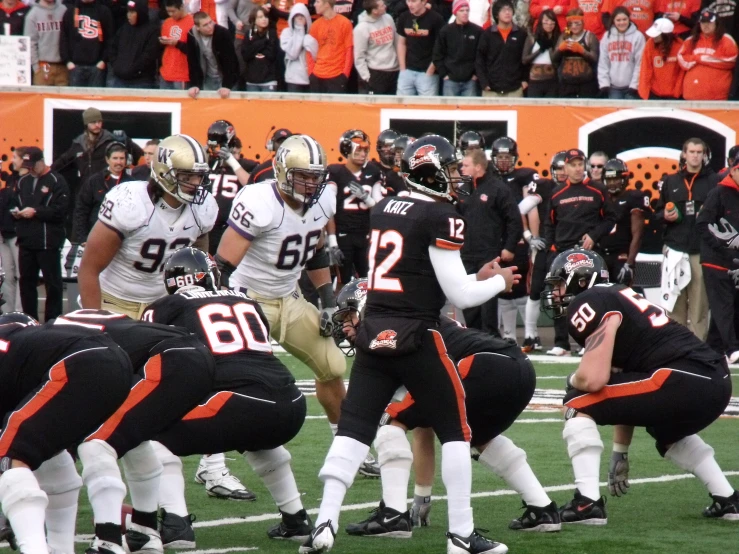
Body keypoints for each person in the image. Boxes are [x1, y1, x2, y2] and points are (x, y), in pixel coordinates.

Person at [299, 135, 518, 554]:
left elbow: (420, 273)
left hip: (374, 332)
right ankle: (460, 535)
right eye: (451, 169)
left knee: (352, 431)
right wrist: (498, 282)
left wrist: (479, 277)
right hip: (417, 336)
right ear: (429, 171)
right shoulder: (441, 215)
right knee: (456, 432)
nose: (457, 177)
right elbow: (460, 295)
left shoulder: (385, 207)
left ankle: (324, 523)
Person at [334, 280, 560, 535]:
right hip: (517, 369)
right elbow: (424, 424)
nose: (344, 327)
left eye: (348, 316)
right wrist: (422, 496)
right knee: (478, 437)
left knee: (390, 420)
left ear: (366, 307)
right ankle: (542, 508)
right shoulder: (411, 316)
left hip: (483, 365)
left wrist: (421, 498)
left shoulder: (392, 329)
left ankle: (393, 515)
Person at [214, 135, 377, 475]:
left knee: (332, 365)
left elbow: (315, 249)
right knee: (238, 380)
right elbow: (223, 265)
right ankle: (212, 465)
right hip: (247, 298)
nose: (312, 183)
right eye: (304, 175)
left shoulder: (321, 201)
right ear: (282, 170)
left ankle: (347, 448)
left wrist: (328, 301)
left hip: (289, 297)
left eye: (317, 175)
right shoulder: (259, 200)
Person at [542, 248, 738, 524]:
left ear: (581, 279)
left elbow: (594, 379)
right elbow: (626, 385)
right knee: (666, 429)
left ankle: (587, 504)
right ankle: (728, 499)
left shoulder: (591, 299)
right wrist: (620, 452)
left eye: (560, 283)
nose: (558, 292)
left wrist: (572, 380)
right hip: (713, 380)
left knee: (577, 401)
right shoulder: (618, 295)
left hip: (682, 376)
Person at [142, 247, 312, 546]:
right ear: (210, 276)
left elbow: (154, 362)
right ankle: (296, 520)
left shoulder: (166, 306)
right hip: (292, 402)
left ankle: (176, 525)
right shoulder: (246, 299)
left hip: (239, 402)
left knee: (150, 435)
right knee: (259, 442)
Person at [53, 309, 216, 554]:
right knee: (131, 439)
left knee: (96, 444)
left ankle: (107, 541)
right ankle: (144, 532)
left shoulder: (45, 345)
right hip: (195, 354)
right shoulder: (65, 327)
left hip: (168, 359)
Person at [0, 314, 132, 554]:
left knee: (10, 453)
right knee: (41, 448)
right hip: (117, 362)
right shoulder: (26, 345)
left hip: (79, 363)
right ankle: (61, 548)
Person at [77, 134, 218, 320]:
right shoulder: (130, 202)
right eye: (187, 176)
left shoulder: (203, 207)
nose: (195, 183)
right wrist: (94, 320)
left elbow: (199, 262)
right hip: (114, 301)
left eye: (199, 176)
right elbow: (88, 269)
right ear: (163, 172)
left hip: (163, 304)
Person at [543, 148, 617, 355]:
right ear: (565, 167)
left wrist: (594, 236)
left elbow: (611, 218)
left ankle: (590, 341)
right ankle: (561, 343)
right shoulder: (557, 193)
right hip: (561, 252)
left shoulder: (598, 190)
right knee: (558, 297)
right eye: (572, 165)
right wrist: (551, 249)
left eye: (579, 164)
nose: (577, 169)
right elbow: (548, 224)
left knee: (591, 297)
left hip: (588, 253)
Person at [654, 137, 716, 340]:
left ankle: (698, 351)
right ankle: (676, 349)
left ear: (704, 155)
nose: (695, 156)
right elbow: (656, 212)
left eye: (699, 152)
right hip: (675, 249)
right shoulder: (671, 181)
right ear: (684, 154)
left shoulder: (714, 181)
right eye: (692, 152)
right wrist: (664, 215)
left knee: (699, 306)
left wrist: (708, 216)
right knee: (674, 305)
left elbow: (724, 213)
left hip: (701, 250)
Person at [457, 147, 522, 336]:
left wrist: (509, 247)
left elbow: (514, 220)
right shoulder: (462, 190)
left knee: (487, 305)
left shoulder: (498, 188)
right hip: (466, 254)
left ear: (478, 167)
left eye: (466, 165)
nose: (462, 168)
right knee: (469, 302)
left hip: (489, 254)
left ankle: (490, 342)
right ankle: (473, 339)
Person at [10, 147, 70, 322]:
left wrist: (36, 212)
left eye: (32, 165)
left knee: (53, 285)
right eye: (26, 165)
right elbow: (15, 203)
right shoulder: (23, 182)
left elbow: (61, 211)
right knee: (26, 283)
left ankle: (52, 321)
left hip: (48, 242)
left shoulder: (57, 181)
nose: (30, 169)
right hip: (26, 241)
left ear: (41, 161)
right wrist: (16, 213)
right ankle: (29, 320)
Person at [696, 156, 739, 362]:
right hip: (715, 261)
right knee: (724, 305)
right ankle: (732, 349)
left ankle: (710, 351)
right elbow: (703, 224)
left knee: (731, 305)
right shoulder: (718, 193)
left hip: (735, 264)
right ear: (734, 171)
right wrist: (722, 246)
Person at [522, 150, 565, 352]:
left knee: (564, 294)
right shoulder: (545, 186)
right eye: (559, 169)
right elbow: (521, 208)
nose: (563, 173)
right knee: (536, 290)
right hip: (546, 246)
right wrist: (529, 236)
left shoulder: (582, 191)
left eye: (566, 168)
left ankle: (569, 339)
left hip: (567, 246)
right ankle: (531, 336)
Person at [328, 129, 382, 286]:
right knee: (342, 282)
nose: (363, 153)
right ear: (347, 150)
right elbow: (328, 209)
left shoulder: (373, 172)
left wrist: (366, 198)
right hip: (343, 235)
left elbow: (379, 208)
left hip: (366, 235)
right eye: (359, 149)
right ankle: (341, 311)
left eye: (365, 149)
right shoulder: (335, 172)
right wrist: (332, 242)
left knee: (367, 282)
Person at [51, 108, 143, 196]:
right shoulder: (78, 144)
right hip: (85, 191)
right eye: (93, 122)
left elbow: (138, 154)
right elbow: (63, 161)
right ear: (86, 123)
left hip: (107, 189)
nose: (97, 125)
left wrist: (127, 140)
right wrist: (49, 173)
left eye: (99, 122)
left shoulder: (110, 140)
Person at [597, 158, 650, 286]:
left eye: (616, 179)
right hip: (601, 255)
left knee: (621, 298)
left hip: (621, 256)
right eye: (609, 180)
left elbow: (638, 234)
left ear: (624, 179)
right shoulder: (600, 198)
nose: (612, 183)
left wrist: (629, 263)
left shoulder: (633, 197)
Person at [72, 142, 134, 245]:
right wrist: (83, 238)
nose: (119, 162)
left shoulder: (132, 183)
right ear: (107, 160)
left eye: (122, 158)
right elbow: (81, 210)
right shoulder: (95, 181)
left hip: (122, 240)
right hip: (96, 237)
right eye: (115, 158)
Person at [205, 120, 250, 255]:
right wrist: (203, 155)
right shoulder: (210, 163)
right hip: (206, 227)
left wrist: (232, 160)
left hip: (229, 227)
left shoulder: (244, 165)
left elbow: (252, 184)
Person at [678, 9, 738, 100]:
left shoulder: (726, 39)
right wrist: (699, 59)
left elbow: (732, 60)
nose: (706, 25)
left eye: (709, 22)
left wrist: (700, 59)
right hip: (691, 95)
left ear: (716, 23)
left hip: (718, 97)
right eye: (703, 23)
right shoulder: (691, 40)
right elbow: (682, 58)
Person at [476, 0, 527, 98]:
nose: (507, 12)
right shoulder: (487, 34)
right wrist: (484, 83)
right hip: (491, 89)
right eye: (503, 10)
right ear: (496, 14)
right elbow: (480, 60)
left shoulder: (521, 34)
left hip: (514, 89)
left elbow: (525, 59)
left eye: (509, 10)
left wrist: (524, 80)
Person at [433, 0, 482, 97]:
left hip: (470, 81)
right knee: (450, 111)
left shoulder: (477, 31)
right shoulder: (445, 31)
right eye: (462, 10)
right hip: (450, 80)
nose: (465, 13)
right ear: (455, 12)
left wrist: (475, 74)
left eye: (467, 10)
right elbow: (437, 54)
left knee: (470, 110)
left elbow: (481, 55)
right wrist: (444, 74)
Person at [59, 0, 113, 87]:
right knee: (75, 99)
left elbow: (110, 39)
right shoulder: (70, 11)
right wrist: (67, 61)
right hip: (75, 67)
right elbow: (64, 38)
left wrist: (103, 60)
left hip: (97, 67)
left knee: (95, 99)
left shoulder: (104, 11)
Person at [396, 0, 444, 96]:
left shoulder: (436, 19)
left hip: (427, 73)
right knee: (402, 107)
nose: (410, 4)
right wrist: (402, 68)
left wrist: (431, 70)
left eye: (413, 1)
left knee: (426, 108)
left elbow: (441, 47)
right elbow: (401, 43)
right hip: (407, 71)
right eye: (408, 1)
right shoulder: (404, 17)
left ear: (423, 2)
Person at [186, 11, 239, 99]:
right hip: (207, 78)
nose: (210, 26)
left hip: (225, 77)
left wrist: (227, 85)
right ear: (198, 27)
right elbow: (192, 62)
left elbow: (230, 61)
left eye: (210, 22)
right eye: (205, 25)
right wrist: (194, 85)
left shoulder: (222, 33)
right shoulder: (191, 35)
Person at [598, 7, 645, 99]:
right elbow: (603, 62)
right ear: (613, 21)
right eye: (618, 20)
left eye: (624, 19)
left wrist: (634, 85)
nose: (622, 22)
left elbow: (640, 63)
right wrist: (604, 84)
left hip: (631, 87)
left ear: (629, 19)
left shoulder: (638, 36)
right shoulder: (607, 36)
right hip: (613, 87)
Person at [353, 0, 400, 95]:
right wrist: (367, 77)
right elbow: (359, 57)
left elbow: (396, 41)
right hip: (376, 72)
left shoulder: (388, 18)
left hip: (394, 70)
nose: (385, 6)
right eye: (382, 5)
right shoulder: (361, 28)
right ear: (374, 11)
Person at [109, 0, 158, 88]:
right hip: (119, 79)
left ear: (140, 13)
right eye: (128, 12)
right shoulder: (123, 28)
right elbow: (113, 48)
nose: (129, 15)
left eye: (132, 12)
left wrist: (134, 69)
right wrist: (116, 66)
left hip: (142, 81)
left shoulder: (152, 30)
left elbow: (149, 55)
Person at [552, 8, 600, 98]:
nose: (574, 26)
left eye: (577, 23)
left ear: (582, 23)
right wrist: (560, 49)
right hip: (567, 83)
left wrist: (582, 51)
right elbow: (554, 59)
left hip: (586, 83)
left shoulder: (590, 36)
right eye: (571, 24)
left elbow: (595, 59)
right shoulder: (564, 36)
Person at [307, 0, 353, 93]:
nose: (314, 4)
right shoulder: (315, 25)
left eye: (318, 2)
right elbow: (309, 51)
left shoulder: (345, 23)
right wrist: (311, 73)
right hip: (317, 76)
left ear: (327, 4)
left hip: (337, 76)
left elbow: (349, 50)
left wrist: (345, 74)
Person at [24, 0, 69, 86]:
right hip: (43, 66)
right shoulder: (33, 14)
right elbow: (30, 43)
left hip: (63, 66)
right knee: (41, 98)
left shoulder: (63, 10)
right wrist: (36, 66)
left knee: (62, 99)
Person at [638, 17, 684, 99]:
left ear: (666, 34)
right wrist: (644, 95)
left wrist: (677, 93)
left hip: (674, 96)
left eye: (657, 34)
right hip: (654, 94)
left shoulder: (680, 46)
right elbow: (645, 70)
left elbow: (681, 73)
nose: (653, 37)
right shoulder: (650, 44)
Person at [523, 9, 561, 98]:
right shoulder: (532, 38)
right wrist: (540, 50)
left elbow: (556, 61)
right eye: (546, 21)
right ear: (541, 22)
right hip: (535, 82)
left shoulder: (558, 38)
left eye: (552, 21)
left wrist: (551, 46)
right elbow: (524, 60)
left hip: (552, 81)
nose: (549, 24)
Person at [280, 3, 317, 93]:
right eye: (297, 16)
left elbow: (317, 56)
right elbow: (293, 54)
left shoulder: (313, 32)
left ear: (307, 18)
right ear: (292, 18)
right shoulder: (286, 33)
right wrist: (300, 30)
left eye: (302, 16)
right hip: (293, 79)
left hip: (310, 77)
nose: (300, 18)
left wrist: (308, 41)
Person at [158, 0, 194, 90]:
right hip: (166, 71)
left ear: (181, 7)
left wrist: (177, 43)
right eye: (168, 11)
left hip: (182, 74)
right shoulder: (167, 22)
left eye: (173, 11)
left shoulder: (192, 22)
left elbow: (195, 50)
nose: (170, 14)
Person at [242, 6, 279, 91]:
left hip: (269, 80)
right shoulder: (248, 33)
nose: (264, 19)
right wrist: (264, 42)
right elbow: (246, 55)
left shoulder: (272, 33)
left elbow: (271, 54)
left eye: (266, 16)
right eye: (260, 17)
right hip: (251, 81)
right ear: (254, 20)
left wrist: (254, 47)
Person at [370, 128, 406, 196]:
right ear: (379, 148)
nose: (389, 150)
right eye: (385, 146)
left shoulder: (405, 170)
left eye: (392, 146)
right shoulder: (372, 168)